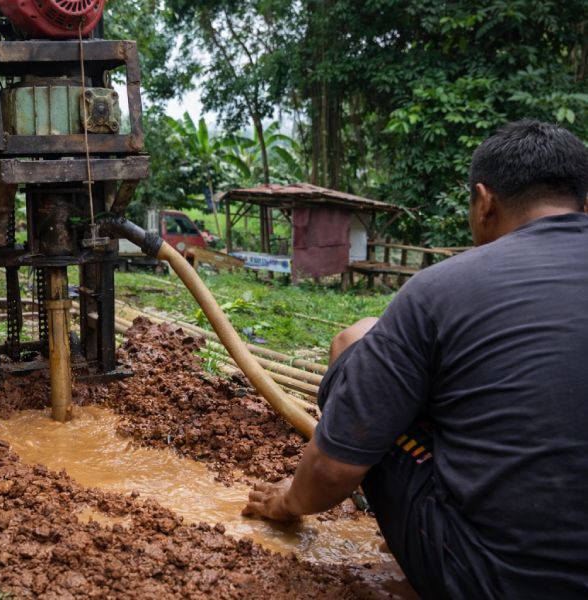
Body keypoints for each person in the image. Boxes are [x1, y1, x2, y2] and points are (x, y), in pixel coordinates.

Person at [242, 120, 588, 599]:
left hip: (488, 581)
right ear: (583, 205)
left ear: (484, 202)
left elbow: (333, 471)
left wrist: (287, 500)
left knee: (356, 342)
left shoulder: (441, 289)